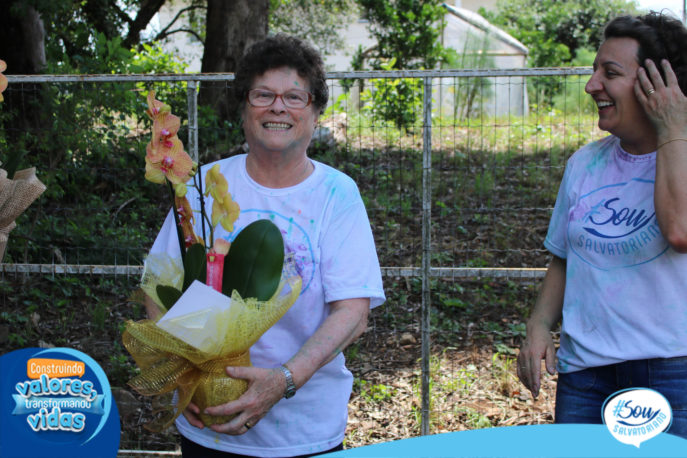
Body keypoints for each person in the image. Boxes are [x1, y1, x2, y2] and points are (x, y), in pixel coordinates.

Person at [145, 34, 386, 457]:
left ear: (315, 113)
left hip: (304, 430)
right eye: (263, 95)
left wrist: (283, 380)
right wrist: (186, 375)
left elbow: (353, 313)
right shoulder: (201, 186)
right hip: (208, 421)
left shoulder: (337, 194)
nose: (278, 107)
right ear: (243, 109)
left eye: (295, 96)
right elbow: (157, 290)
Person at [517, 12, 687, 438]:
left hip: (672, 374)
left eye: (609, 73)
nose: (592, 85)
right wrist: (539, 325)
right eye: (595, 71)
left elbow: (680, 231)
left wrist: (672, 127)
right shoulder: (585, 163)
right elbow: (564, 258)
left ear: (658, 84)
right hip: (585, 376)